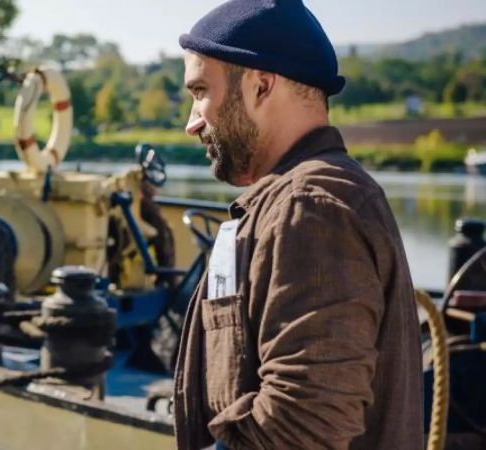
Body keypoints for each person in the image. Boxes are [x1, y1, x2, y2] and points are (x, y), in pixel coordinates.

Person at [172, 1, 424, 449]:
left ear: (261, 86)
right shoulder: (294, 201)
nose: (192, 123)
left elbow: (303, 423)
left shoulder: (311, 209)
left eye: (200, 92)